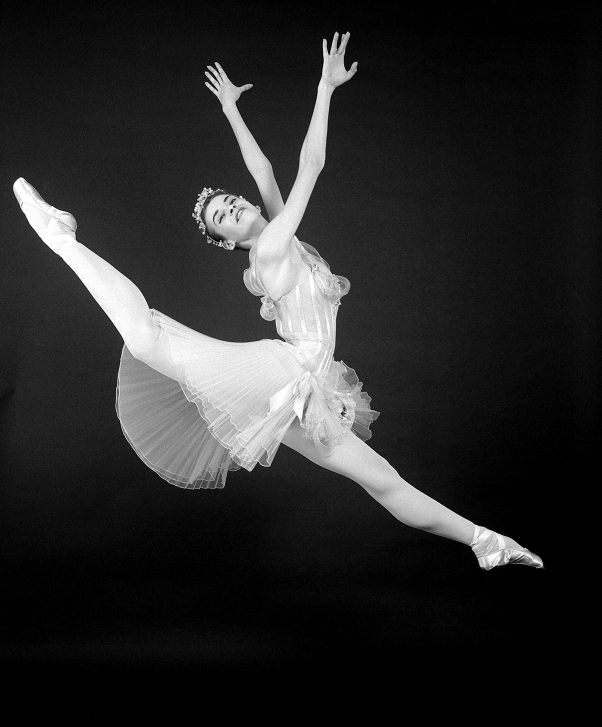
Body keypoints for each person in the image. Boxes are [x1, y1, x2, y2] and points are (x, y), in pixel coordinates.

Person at [13, 32, 543, 570]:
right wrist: (324, 89)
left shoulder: (279, 234)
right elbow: (309, 167)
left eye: (230, 201)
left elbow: (265, 173)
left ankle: (485, 542)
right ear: (228, 240)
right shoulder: (268, 249)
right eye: (222, 216)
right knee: (148, 338)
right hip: (281, 370)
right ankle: (63, 238)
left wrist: (230, 111)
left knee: (383, 480)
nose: (234, 207)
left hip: (308, 387)